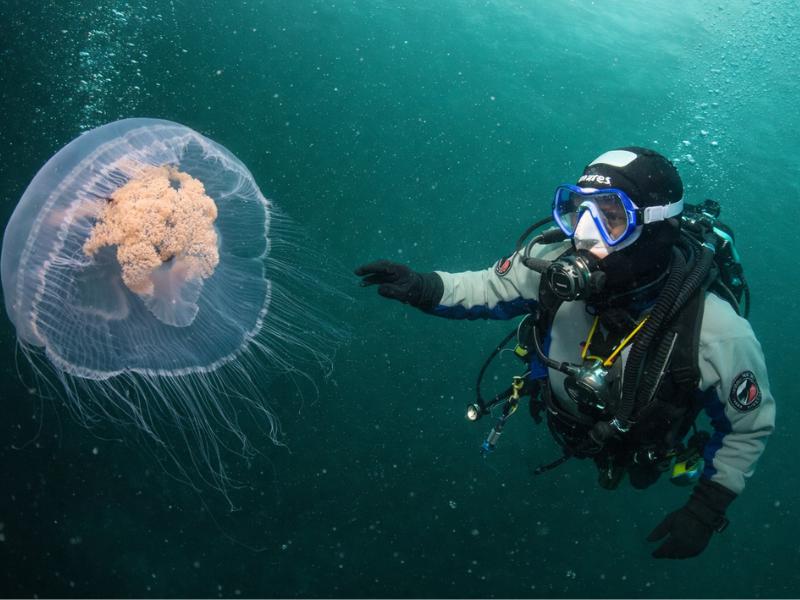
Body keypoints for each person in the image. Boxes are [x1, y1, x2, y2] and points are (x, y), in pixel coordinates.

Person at [355, 147, 775, 559]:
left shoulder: (718, 333)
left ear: (656, 230)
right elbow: (490, 287)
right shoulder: (550, 262)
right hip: (558, 418)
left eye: (610, 217)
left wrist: (705, 510)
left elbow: (747, 427)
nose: (583, 233)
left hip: (636, 448)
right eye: (580, 210)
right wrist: (424, 287)